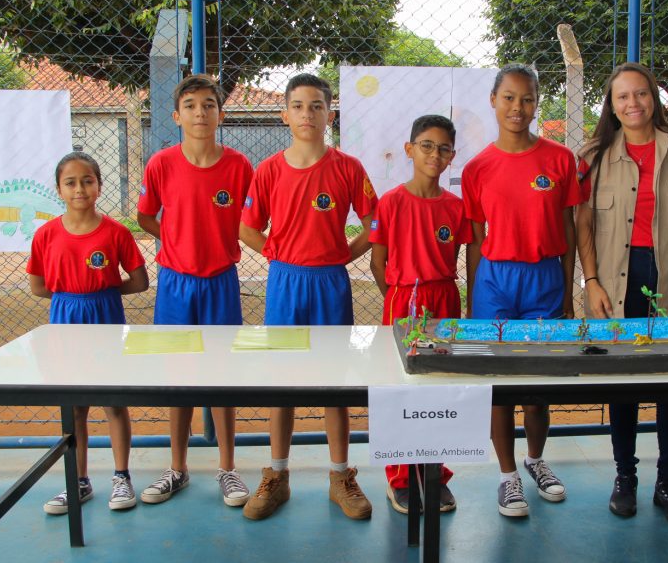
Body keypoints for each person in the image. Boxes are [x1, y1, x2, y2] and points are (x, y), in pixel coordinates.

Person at [576, 61, 668, 526]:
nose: (632, 103)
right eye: (622, 97)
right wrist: (591, 280)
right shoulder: (595, 156)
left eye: (640, 94)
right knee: (624, 381)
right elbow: (585, 225)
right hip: (617, 280)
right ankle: (625, 478)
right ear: (611, 106)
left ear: (653, 99)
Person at [239, 73, 377, 521]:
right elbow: (246, 227)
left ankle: (341, 477)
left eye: (316, 106)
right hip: (284, 282)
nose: (307, 114)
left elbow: (375, 225)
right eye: (298, 106)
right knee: (283, 381)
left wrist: (344, 254)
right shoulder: (269, 170)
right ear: (284, 114)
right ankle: (277, 476)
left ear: (329, 114)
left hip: (330, 283)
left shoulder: (348, 168)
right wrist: (277, 253)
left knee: (335, 383)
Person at [462, 63, 579, 517]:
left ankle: (535, 460)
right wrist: (475, 300)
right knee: (500, 386)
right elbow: (473, 239)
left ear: (536, 103)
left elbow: (568, 230)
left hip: (544, 278)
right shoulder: (478, 168)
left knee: (537, 385)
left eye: (527, 98)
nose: (518, 107)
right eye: (509, 97)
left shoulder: (559, 159)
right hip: (495, 279)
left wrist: (568, 295)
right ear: (493, 101)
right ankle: (507, 476)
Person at [137, 73, 253, 507]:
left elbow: (251, 221)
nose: (200, 113)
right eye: (191, 106)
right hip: (175, 284)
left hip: (221, 281)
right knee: (178, 377)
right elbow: (147, 216)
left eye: (209, 104)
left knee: (223, 378)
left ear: (220, 114)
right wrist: (176, 238)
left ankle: (228, 468)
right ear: (176, 115)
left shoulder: (239, 166)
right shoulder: (161, 164)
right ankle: (178, 468)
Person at [28, 152, 148, 514]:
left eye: (87, 180)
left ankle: (122, 477)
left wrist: (103, 292)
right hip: (64, 322)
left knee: (113, 401)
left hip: (107, 317)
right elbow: (38, 286)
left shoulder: (116, 232)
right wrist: (72, 297)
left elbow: (140, 281)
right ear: (59, 189)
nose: (79, 188)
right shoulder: (46, 234)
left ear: (98, 185)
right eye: (71, 182)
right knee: (75, 405)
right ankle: (78, 481)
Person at [369, 114, 471, 515]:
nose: (434, 154)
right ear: (410, 149)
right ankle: (399, 477)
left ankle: (434, 472)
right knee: (400, 389)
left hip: (444, 298)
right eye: (426, 145)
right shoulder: (391, 202)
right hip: (403, 302)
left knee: (440, 387)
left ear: (452, 157)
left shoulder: (455, 207)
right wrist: (398, 304)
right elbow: (379, 262)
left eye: (443, 148)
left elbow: (458, 258)